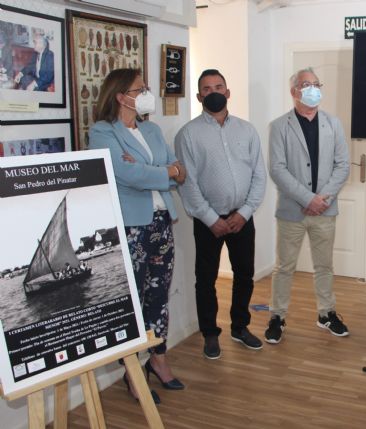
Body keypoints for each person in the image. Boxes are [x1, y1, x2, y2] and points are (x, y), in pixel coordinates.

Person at [89, 68, 186, 403]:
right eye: (139, 89)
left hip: (161, 223)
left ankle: (158, 358)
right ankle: (131, 370)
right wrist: (164, 171)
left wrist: (158, 171)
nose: (146, 93)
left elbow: (179, 171)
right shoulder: (103, 132)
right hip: (131, 226)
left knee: (158, 296)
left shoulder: (152, 129)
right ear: (121, 96)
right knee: (132, 301)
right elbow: (126, 174)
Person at [175, 69, 266, 360]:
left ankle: (240, 327)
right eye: (206, 88)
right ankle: (210, 334)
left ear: (228, 92)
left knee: (245, 275)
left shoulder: (247, 130)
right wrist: (211, 219)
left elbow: (259, 176)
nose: (213, 92)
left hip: (242, 217)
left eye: (218, 86)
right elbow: (187, 183)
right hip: (208, 221)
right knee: (206, 279)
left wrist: (245, 212)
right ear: (198, 96)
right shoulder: (188, 134)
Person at [265, 67, 350, 344]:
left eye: (316, 84)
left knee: (324, 266)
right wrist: (307, 199)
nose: (313, 89)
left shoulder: (333, 124)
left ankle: (326, 313)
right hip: (292, 211)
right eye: (306, 84)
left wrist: (322, 199)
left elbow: (343, 165)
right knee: (284, 267)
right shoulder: (279, 126)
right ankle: (277, 316)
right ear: (294, 91)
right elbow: (277, 169)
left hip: (325, 209)